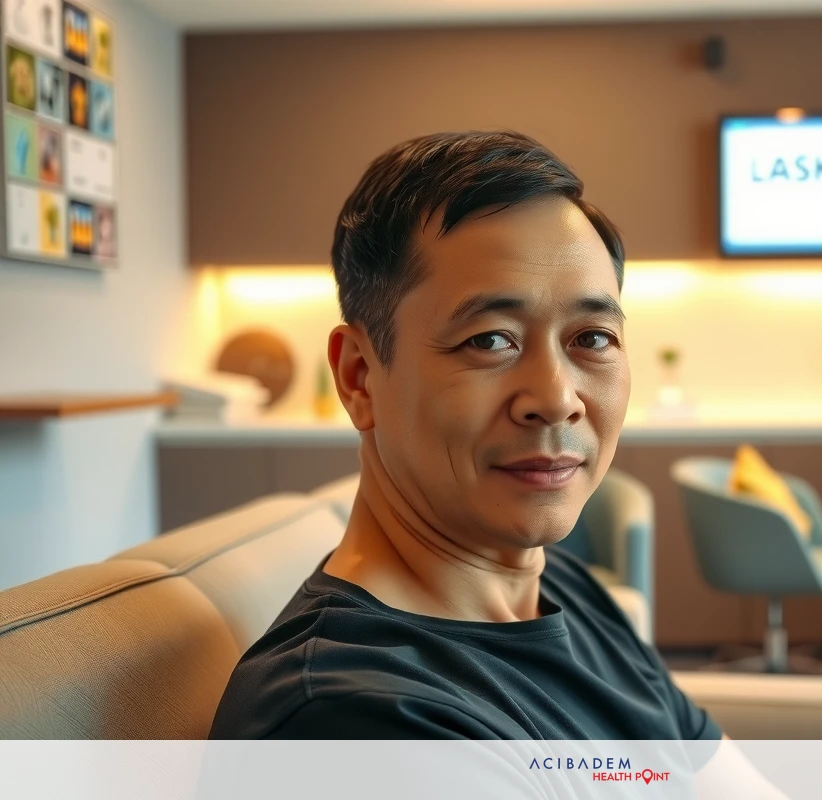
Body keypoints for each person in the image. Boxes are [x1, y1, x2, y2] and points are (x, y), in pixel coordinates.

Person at [205, 129, 786, 794]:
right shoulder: (355, 724)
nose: (556, 399)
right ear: (361, 377)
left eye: (591, 338)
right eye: (491, 340)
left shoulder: (566, 591)